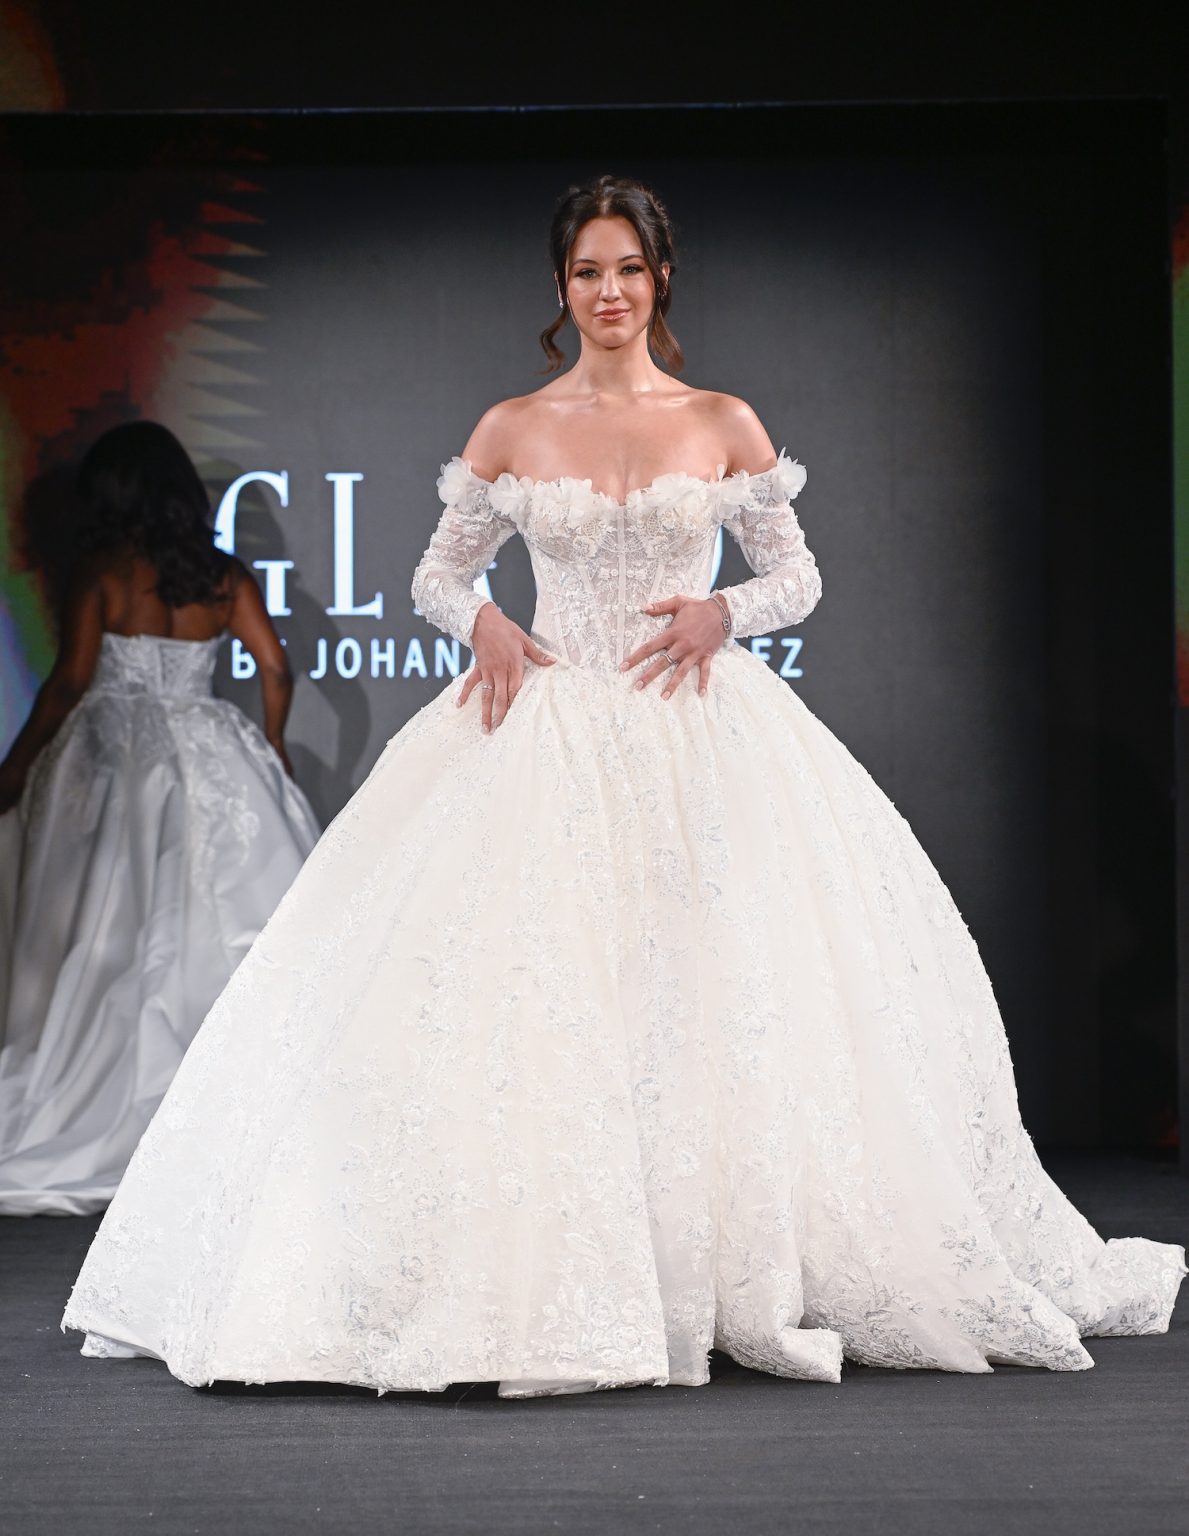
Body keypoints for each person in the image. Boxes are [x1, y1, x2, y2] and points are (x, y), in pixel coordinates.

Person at [60, 178, 1184, 1394]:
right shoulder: (512, 425)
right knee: (545, 1001)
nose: (609, 292)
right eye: (589, 271)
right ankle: (566, 1267)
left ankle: (719, 1268)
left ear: (660, 280)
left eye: (630, 270)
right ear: (560, 287)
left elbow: (795, 578)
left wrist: (723, 610)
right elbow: (440, 577)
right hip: (545, 733)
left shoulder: (721, 420)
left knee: (712, 998)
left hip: (698, 735)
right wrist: (482, 623)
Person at [0, 421, 320, 1217]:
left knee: (109, 920)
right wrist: (271, 741)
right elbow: (275, 667)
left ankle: (98, 1086)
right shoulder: (221, 576)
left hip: (116, 760)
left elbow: (71, 682)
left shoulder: (103, 572)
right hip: (210, 748)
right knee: (209, 916)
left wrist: (17, 764)